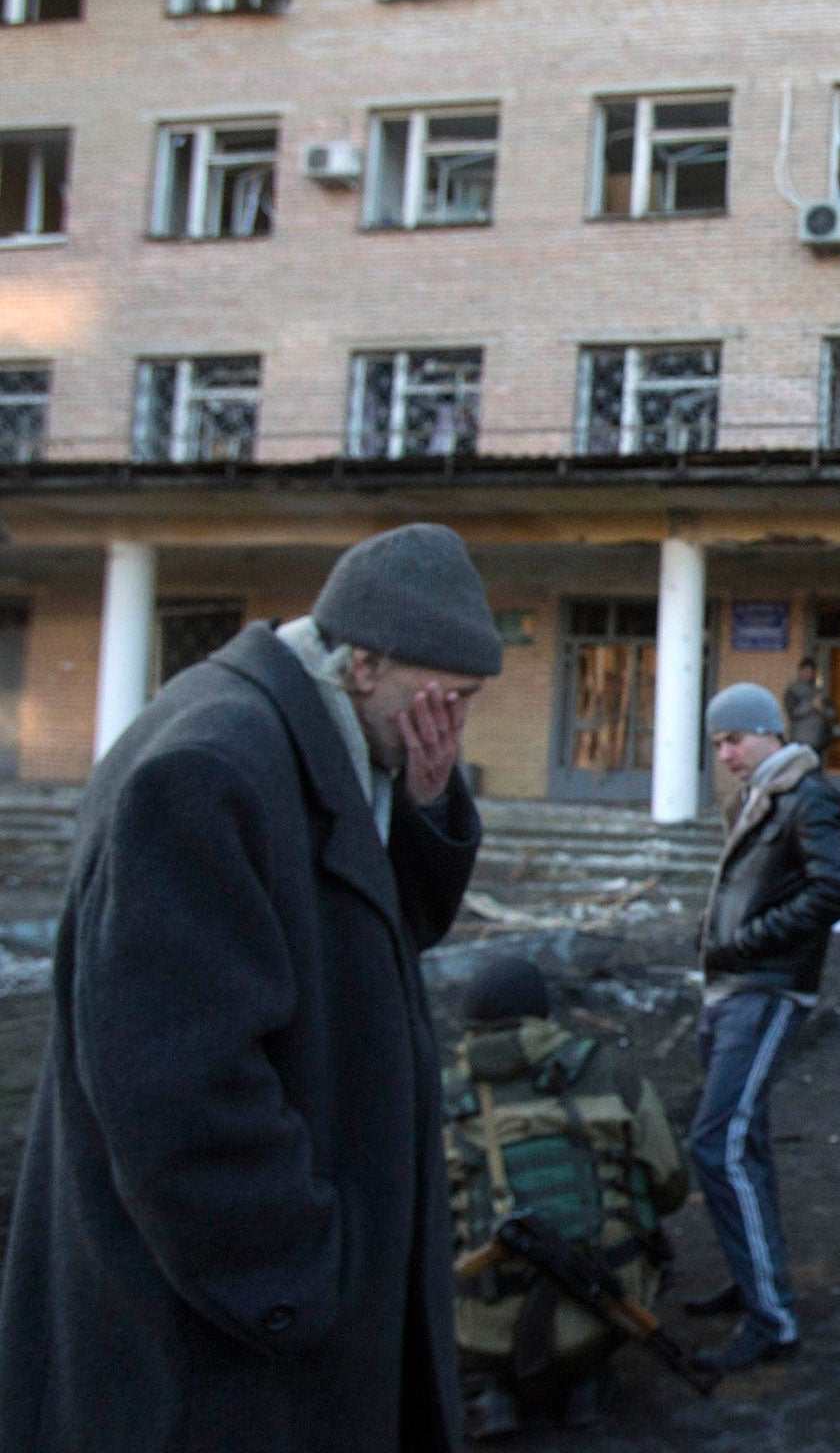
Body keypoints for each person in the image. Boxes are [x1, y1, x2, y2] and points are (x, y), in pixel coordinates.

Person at [0, 522, 502, 1453]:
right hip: (216, 1339)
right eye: (448, 698)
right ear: (364, 666)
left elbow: (374, 938)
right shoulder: (212, 765)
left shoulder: (313, 730)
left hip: (270, 1309)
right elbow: (176, 1085)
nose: (452, 723)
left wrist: (427, 806)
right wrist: (303, 1279)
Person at [685, 681, 840, 1374]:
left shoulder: (806, 795)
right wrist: (713, 934)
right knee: (741, 1142)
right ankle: (753, 1275)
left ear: (766, 731)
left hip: (764, 989)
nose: (724, 753)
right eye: (717, 743)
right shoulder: (765, 793)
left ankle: (772, 1316)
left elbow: (836, 888)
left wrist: (748, 942)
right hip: (733, 987)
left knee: (716, 1142)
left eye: (732, 739)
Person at [443, 957, 689, 1439]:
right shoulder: (608, 1071)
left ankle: (488, 1390)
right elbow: (670, 1186)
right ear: (543, 1014)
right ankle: (584, 1380)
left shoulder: (437, 1094)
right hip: (602, 1308)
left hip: (472, 1323)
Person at [783, 656, 837, 754]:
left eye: (811, 671)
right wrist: (812, 704)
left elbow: (832, 714)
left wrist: (822, 709)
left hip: (819, 742)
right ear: (800, 671)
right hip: (800, 742)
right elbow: (793, 713)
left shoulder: (821, 692)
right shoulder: (792, 690)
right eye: (806, 671)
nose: (809, 674)